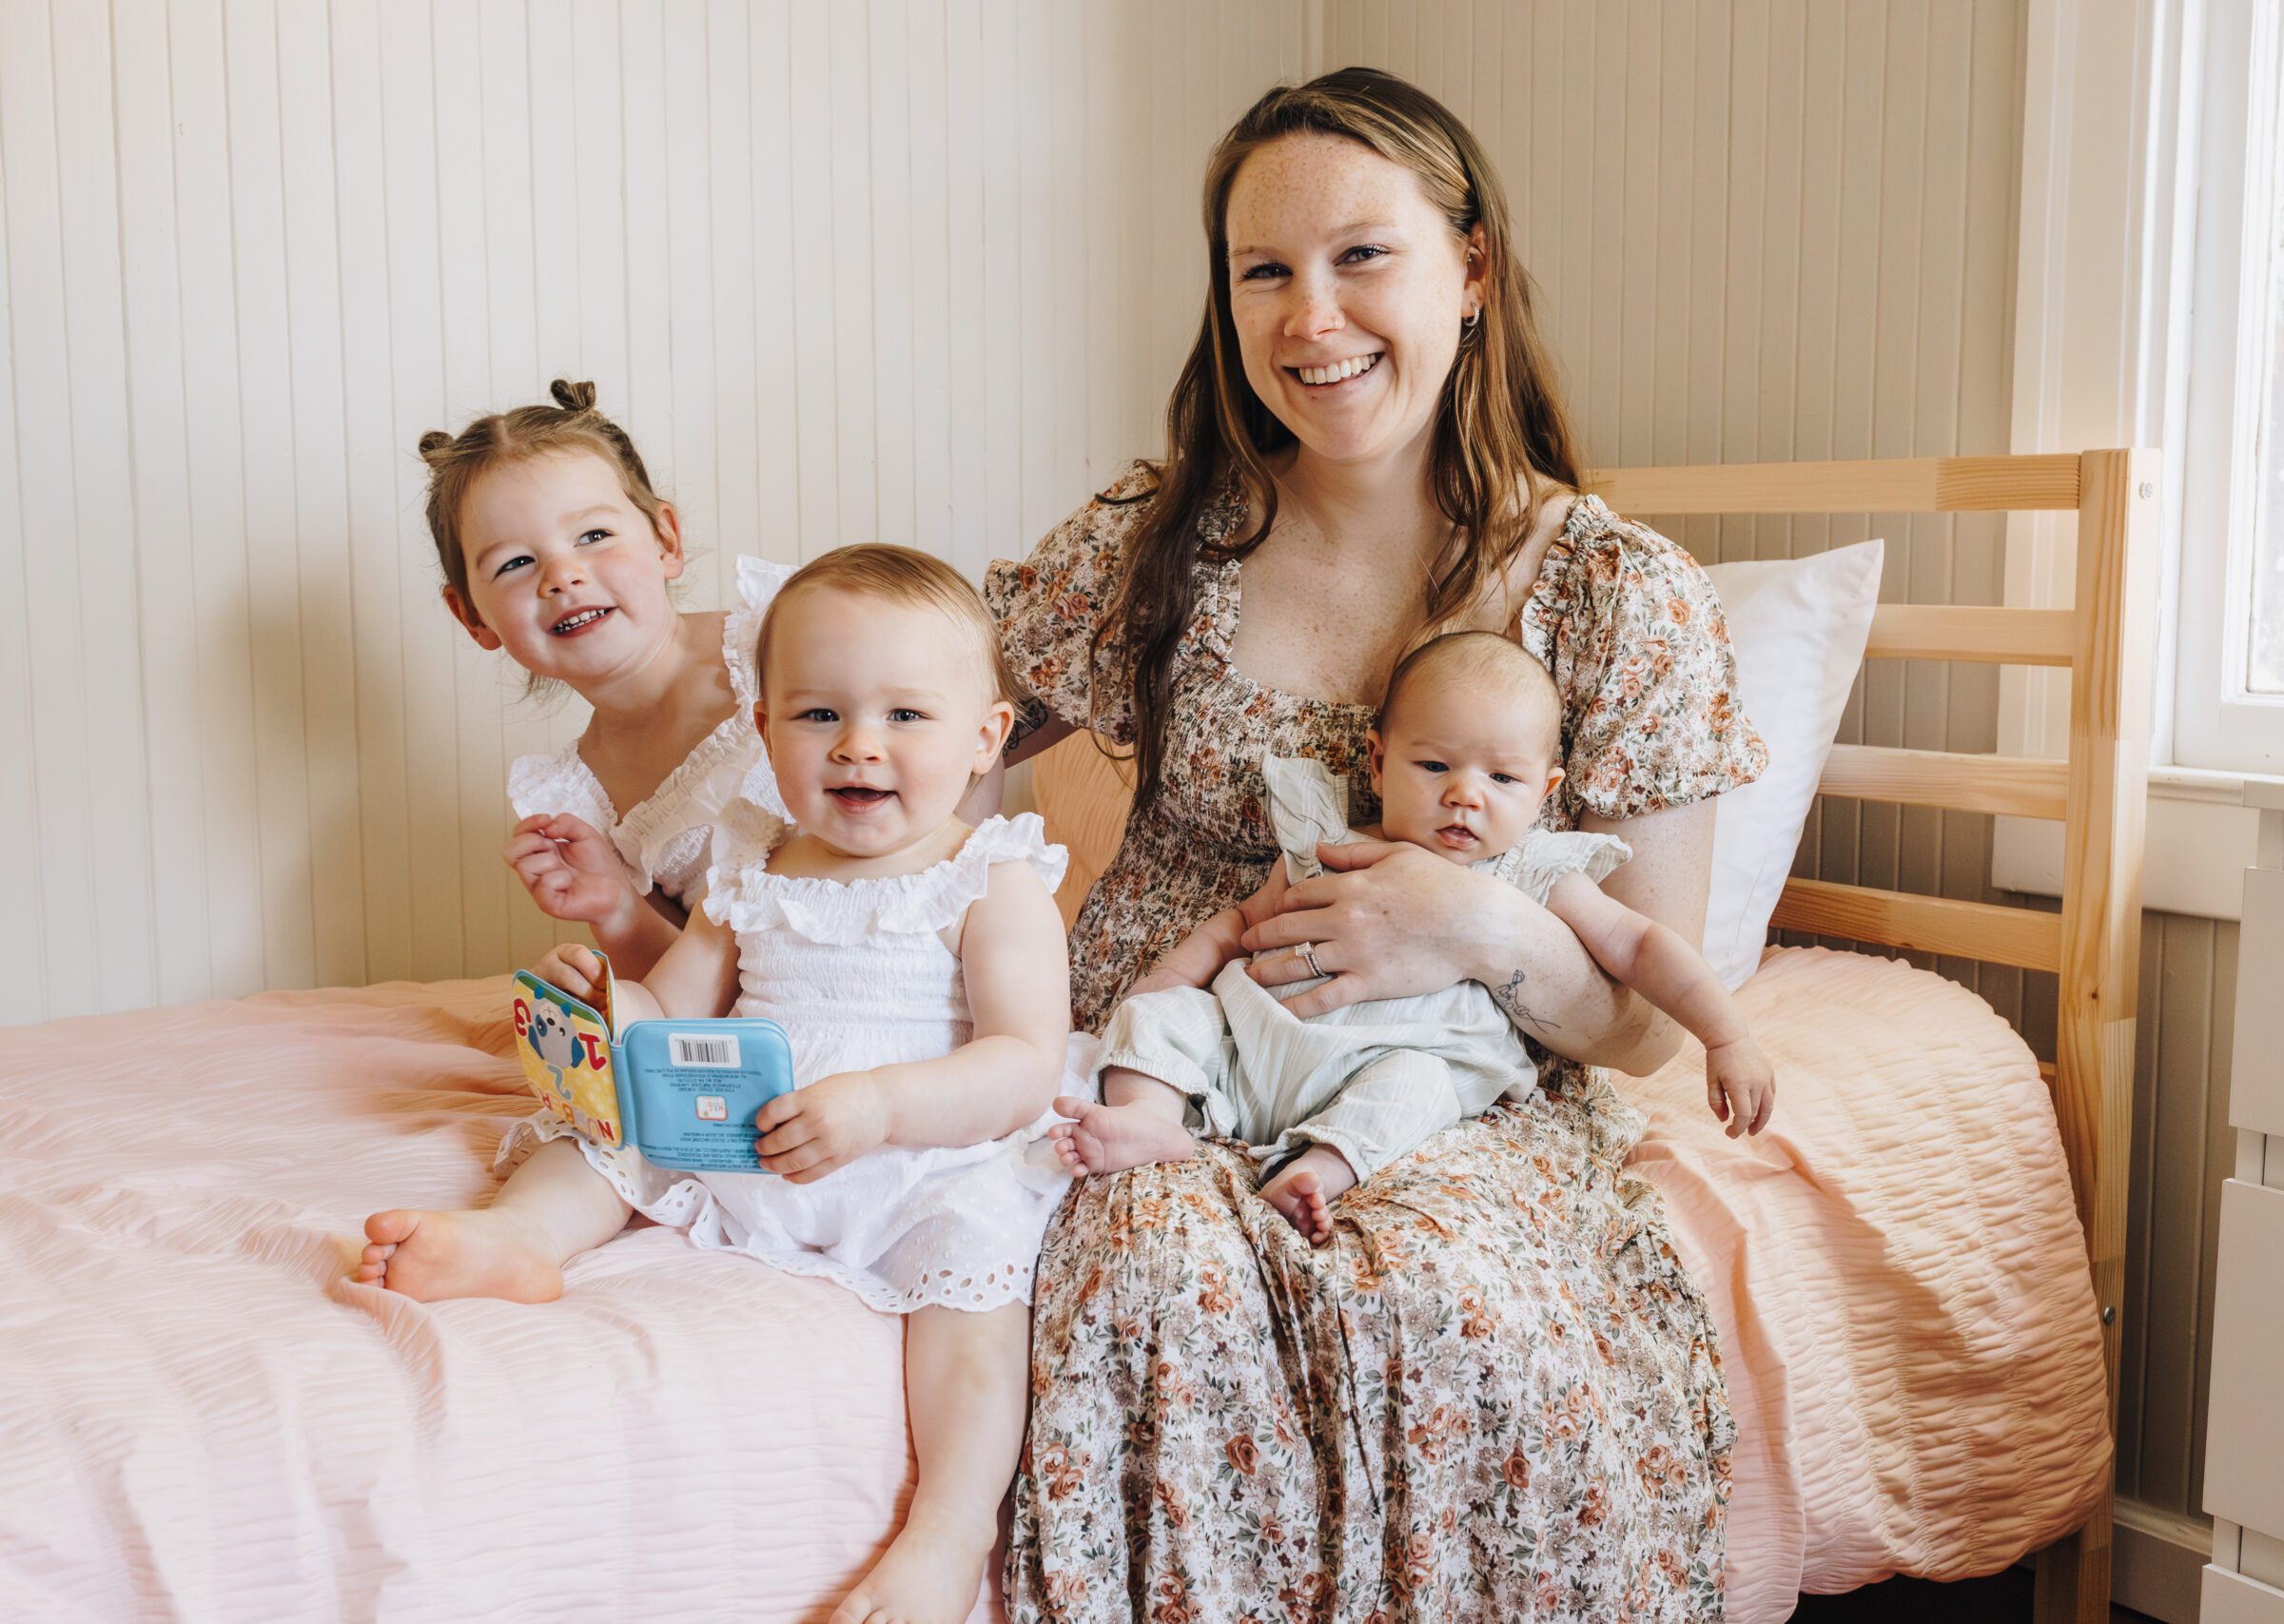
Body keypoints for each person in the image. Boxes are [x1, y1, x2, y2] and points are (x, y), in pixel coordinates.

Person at [985, 67, 1767, 1619]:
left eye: (1362, 256)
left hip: (1461, 1087)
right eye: (1263, 269)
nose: (1309, 315)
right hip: (1175, 1062)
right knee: (1155, 1265)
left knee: (1457, 1306)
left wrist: (1469, 926)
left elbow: (1636, 1024)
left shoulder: (1624, 595)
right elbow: (915, 734)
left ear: (1471, 269)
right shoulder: (1158, 542)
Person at [359, 546, 1077, 1624]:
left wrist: (881, 1105)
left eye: (905, 718)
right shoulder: (755, 862)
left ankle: (948, 1527)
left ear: (985, 737)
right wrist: (608, 1012)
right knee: (609, 1137)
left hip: (920, 1164)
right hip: (754, 1143)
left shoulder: (991, 877)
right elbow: (679, 1007)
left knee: (978, 1296)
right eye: (818, 714)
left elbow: (1022, 1064)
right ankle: (521, 1240)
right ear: (761, 729)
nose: (859, 746)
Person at [1050, 631, 1776, 1243]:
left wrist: (1726, 1034)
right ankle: (1151, 1122)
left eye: (1503, 776)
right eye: (1434, 765)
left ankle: (1319, 1170)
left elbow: (1642, 945)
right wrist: (1169, 982)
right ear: (1377, 760)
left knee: (1421, 1091)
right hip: (1249, 1050)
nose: (1466, 793)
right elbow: (1238, 924)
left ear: (1545, 792)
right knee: (1156, 1018)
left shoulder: (1533, 872)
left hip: (1381, 1066)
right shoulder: (1326, 842)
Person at [418, 379, 788, 979]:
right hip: (783, 1024)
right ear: (472, 617)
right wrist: (617, 910)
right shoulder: (581, 804)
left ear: (666, 540)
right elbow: (690, 990)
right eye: (515, 563)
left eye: (593, 536)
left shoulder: (783, 641)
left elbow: (955, 738)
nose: (561, 576)